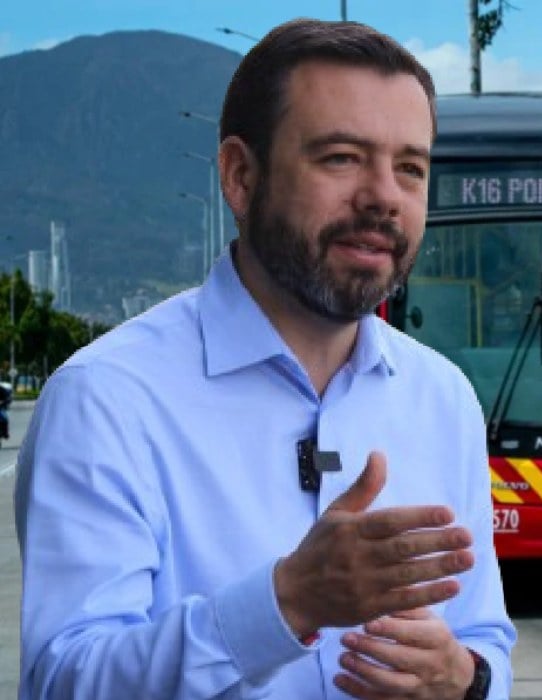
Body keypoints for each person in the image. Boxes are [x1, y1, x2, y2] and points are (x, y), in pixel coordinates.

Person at [14, 18, 515, 700]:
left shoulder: (443, 398)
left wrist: (465, 678)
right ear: (241, 176)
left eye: (410, 168)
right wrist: (283, 604)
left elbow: (484, 637)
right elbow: (68, 680)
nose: (382, 197)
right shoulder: (107, 398)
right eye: (341, 157)